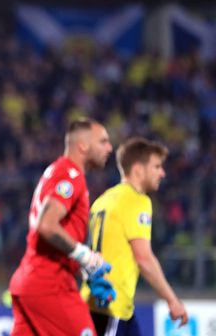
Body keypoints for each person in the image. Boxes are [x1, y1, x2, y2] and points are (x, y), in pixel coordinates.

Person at [9, 118, 114, 336]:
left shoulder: (58, 171)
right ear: (83, 145)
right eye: (103, 141)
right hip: (50, 284)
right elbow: (47, 225)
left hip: (31, 280)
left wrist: (81, 266)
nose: (109, 148)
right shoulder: (69, 175)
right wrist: (83, 255)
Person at [85, 137, 189, 334]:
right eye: (157, 166)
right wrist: (172, 300)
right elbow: (144, 257)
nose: (162, 173)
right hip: (109, 305)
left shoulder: (102, 200)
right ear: (138, 169)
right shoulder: (136, 201)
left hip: (103, 301)